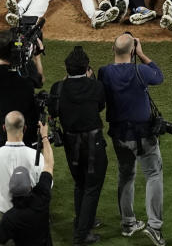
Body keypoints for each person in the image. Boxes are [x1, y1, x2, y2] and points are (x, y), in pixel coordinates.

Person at [97, 32, 166, 246]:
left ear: (112, 49)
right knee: (153, 174)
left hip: (120, 136)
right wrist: (143, 54)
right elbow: (159, 76)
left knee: (126, 176)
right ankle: (154, 227)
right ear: (133, 51)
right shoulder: (141, 70)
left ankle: (128, 223)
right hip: (145, 135)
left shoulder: (104, 73)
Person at [48, 46, 108, 246]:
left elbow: (53, 111)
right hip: (93, 144)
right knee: (92, 186)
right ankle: (82, 235)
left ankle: (83, 220)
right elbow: (100, 106)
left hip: (71, 144)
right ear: (87, 68)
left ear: (66, 69)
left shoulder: (58, 88)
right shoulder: (96, 86)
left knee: (80, 183)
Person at [0, 124, 55, 246]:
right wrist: (44, 137)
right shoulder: (42, 197)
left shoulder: (10, 218)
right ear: (30, 187)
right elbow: (49, 163)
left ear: (11, 190)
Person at [0, 29, 44, 148]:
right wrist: (37, 57)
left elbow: (0, 66)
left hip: (5, 128)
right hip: (28, 127)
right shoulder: (28, 68)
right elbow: (40, 81)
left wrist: (5, 56)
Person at [0, 111, 44, 223]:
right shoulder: (36, 156)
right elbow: (46, 185)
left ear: (4, 128)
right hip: (29, 214)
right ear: (24, 128)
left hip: (4, 215)